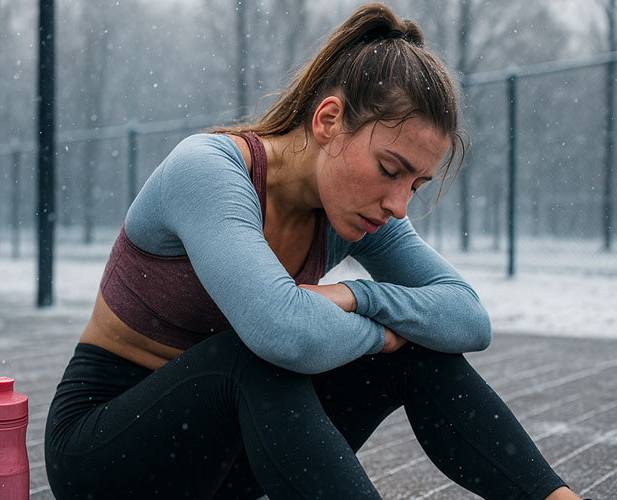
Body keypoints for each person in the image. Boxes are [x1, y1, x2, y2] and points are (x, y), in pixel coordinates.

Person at [44, 3, 584, 499]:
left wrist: (355, 296)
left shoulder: (358, 211)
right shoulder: (209, 169)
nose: (398, 204)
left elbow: (469, 317)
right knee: (255, 357)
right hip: (104, 456)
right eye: (389, 170)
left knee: (419, 353)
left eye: (415, 185)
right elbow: (283, 333)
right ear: (328, 121)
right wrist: (389, 330)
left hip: (221, 465)